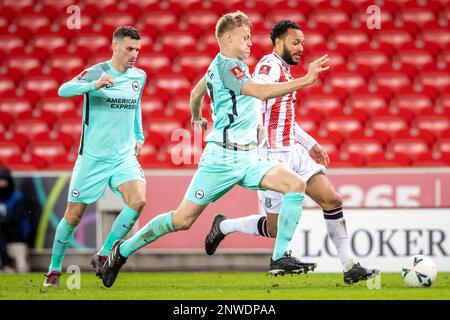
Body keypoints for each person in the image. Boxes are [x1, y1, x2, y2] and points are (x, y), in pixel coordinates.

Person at [101, 11, 330, 288]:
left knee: (295, 185)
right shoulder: (227, 68)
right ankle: (121, 251)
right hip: (221, 159)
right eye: (245, 37)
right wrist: (305, 80)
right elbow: (259, 92)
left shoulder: (224, 65)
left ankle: (279, 258)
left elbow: (195, 93)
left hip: (248, 157)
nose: (249, 43)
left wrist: (196, 117)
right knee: (182, 219)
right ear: (228, 37)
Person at [204, 20, 379, 284]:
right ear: (278, 42)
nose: (300, 48)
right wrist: (257, 130)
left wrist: (311, 144)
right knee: (274, 229)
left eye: (303, 43)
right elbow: (255, 96)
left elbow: (285, 118)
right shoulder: (268, 65)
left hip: (294, 153)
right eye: (295, 42)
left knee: (332, 200)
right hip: (272, 157)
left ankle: (350, 266)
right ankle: (224, 226)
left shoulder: (284, 69)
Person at [43, 26, 148, 287]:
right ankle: (54, 270)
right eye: (129, 49)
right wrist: (92, 85)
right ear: (115, 46)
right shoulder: (98, 72)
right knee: (73, 215)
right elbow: (63, 90)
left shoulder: (139, 76)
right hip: (93, 158)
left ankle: (103, 254)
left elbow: (136, 107)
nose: (134, 54)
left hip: (123, 157)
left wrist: (139, 136)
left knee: (138, 200)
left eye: (137, 49)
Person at [0, 166, 30, 273]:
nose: (1, 184)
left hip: (16, 235)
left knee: (22, 267)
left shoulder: (17, 198)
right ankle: (6, 265)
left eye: (3, 181)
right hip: (2, 236)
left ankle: (7, 264)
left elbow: (16, 219)